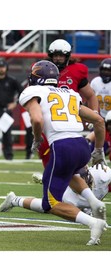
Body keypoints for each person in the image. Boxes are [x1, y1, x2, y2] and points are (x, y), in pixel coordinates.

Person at [17, 59, 107, 246]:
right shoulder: (70, 93)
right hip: (82, 145)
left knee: (50, 203)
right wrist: (98, 150)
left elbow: (36, 119)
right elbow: (99, 120)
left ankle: (92, 222)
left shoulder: (32, 91)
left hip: (62, 147)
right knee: (70, 172)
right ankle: (94, 202)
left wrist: (36, 139)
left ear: (36, 78)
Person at [37, 38, 99, 167]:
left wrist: (93, 114)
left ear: (67, 56)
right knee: (44, 149)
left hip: (69, 118)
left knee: (69, 152)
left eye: (61, 55)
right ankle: (51, 176)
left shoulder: (77, 70)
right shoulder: (43, 69)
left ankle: (78, 175)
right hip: (49, 117)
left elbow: (91, 95)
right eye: (55, 55)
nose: (58, 58)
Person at [0, 165, 111, 215]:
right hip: (70, 198)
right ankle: (14, 200)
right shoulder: (69, 198)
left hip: (81, 197)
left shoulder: (103, 175)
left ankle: (46, 180)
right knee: (46, 207)